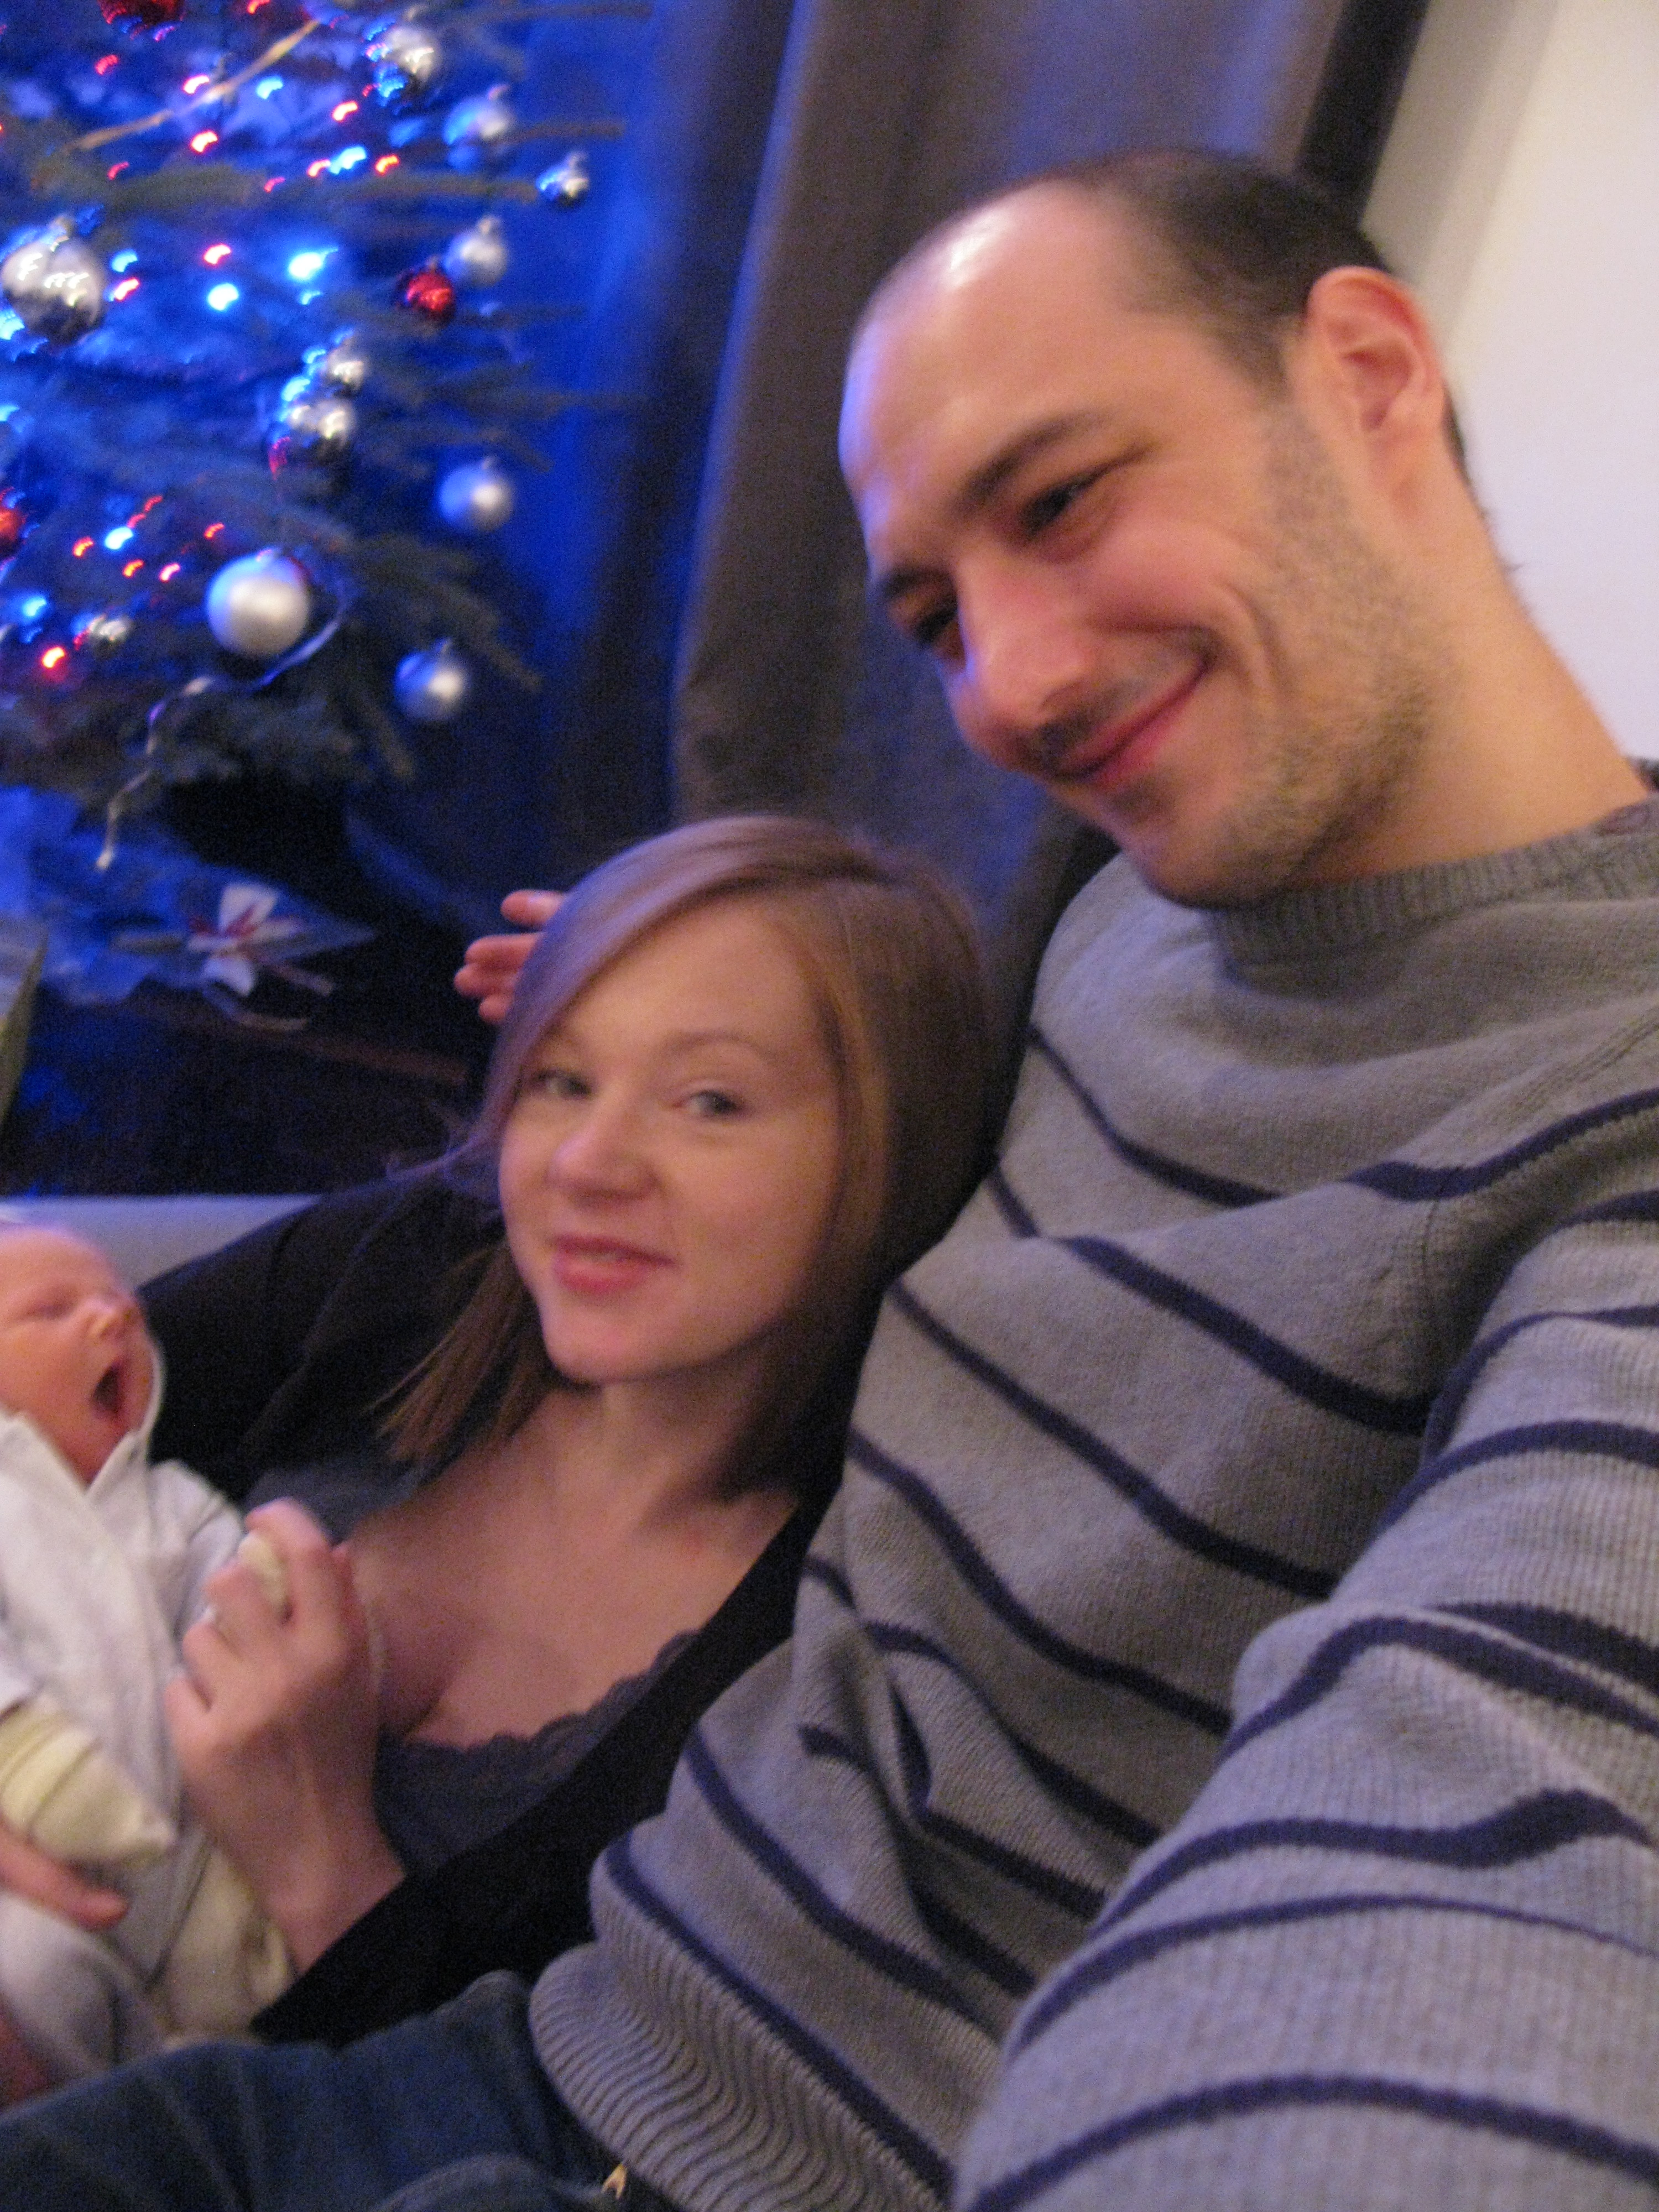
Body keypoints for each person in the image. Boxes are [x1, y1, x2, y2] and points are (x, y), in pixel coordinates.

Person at [7, 146, 1659, 2211]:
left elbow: (1515, 1819)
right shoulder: (1138, 906)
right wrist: (668, 1020)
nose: (1014, 690)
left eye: (1066, 499)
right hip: (553, 2046)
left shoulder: (1608, 1120)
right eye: (937, 616)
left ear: (1371, 376)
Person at [0, 814, 992, 2068]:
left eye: (710, 1100)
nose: (585, 1162)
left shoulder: (812, 1670)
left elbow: (565, 2116)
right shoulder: (419, 1273)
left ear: (891, 1153)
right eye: (560, 1079)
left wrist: (321, 1861)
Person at [0, 1226, 290, 2083]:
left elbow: (228, 1602)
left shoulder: (176, 1504)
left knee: (235, 1973)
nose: (114, 1319)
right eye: (52, 1310)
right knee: (30, 1975)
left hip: (182, 1853)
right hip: (32, 1860)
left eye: (121, 1304)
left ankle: (189, 2073)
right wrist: (26, 1751)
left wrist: (267, 1579)